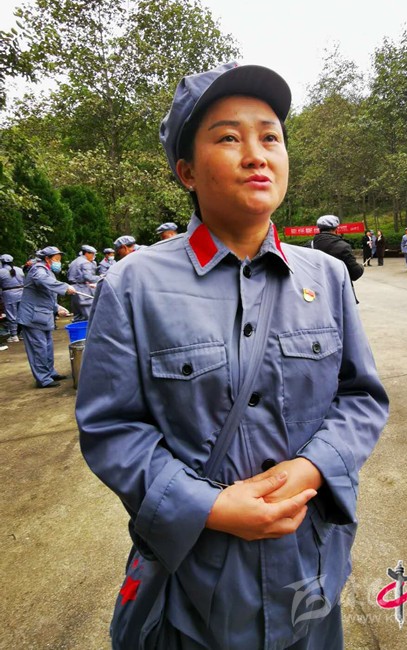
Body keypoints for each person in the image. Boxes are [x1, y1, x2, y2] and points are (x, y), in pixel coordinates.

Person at [76, 62, 389, 650]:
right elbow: (111, 427)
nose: (256, 155)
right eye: (228, 137)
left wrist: (314, 466)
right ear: (187, 172)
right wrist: (211, 506)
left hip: (308, 569)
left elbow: (360, 397)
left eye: (270, 137)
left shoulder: (324, 276)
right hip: (198, 582)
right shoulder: (134, 284)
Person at [17, 246, 76, 388]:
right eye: (56, 258)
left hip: (42, 316)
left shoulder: (48, 271)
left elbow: (46, 296)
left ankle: (50, 372)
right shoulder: (38, 269)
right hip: (32, 317)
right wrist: (65, 287)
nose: (58, 262)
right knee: (38, 348)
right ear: (47, 258)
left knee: (47, 347)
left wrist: (57, 308)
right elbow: (42, 280)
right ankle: (43, 379)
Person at [312, 215, 364, 282]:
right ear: (336, 229)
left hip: (317, 286)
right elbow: (355, 273)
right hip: (337, 287)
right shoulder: (343, 247)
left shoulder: (309, 246)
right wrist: (361, 267)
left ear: (319, 229)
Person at [67, 245, 100, 321]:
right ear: (87, 253)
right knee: (89, 315)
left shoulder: (75, 261)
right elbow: (89, 277)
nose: (94, 256)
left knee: (78, 316)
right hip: (82, 290)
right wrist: (101, 278)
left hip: (74, 289)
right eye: (93, 254)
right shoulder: (85, 263)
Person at [0, 254, 24, 342]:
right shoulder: (19, 270)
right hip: (22, 292)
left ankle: (14, 335)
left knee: (11, 315)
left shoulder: (1, 271)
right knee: (22, 313)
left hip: (9, 294)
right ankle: (23, 333)